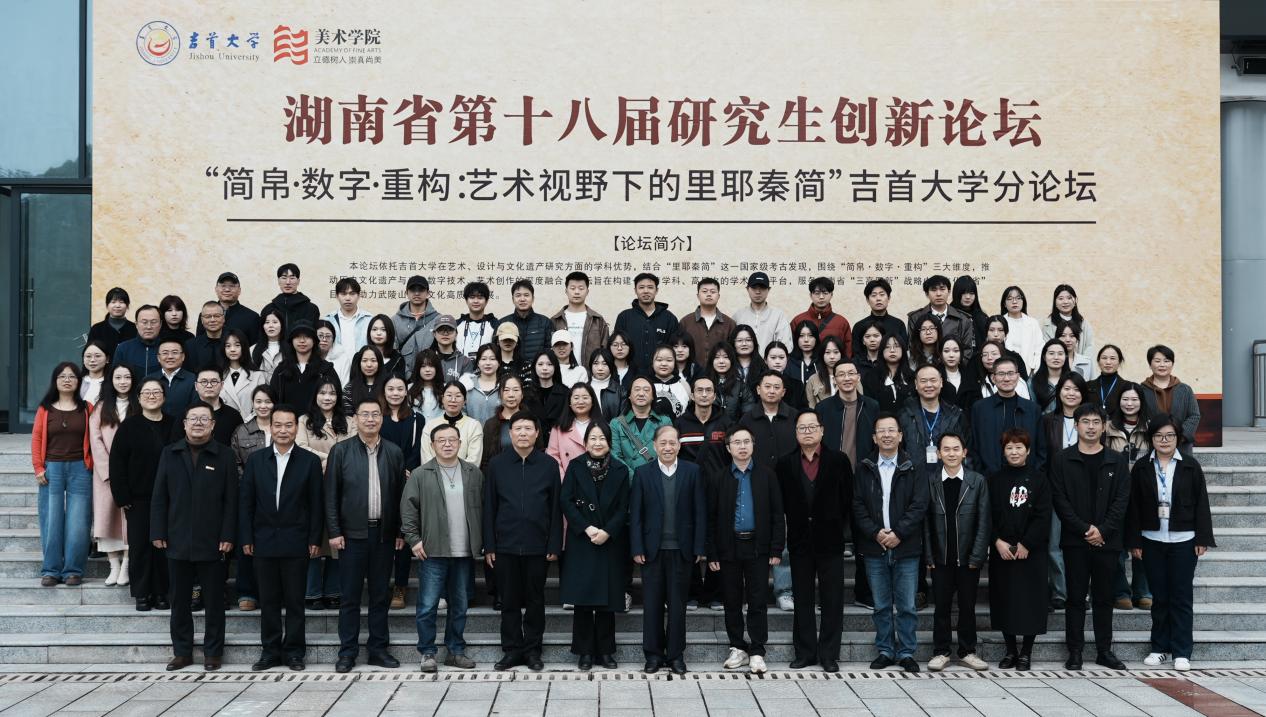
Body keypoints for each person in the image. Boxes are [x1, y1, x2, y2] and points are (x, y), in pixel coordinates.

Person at [151, 402, 238, 671]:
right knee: (179, 600)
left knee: (214, 601)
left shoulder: (224, 455)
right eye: (193, 419)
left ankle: (213, 652)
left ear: (213, 425)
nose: (198, 423)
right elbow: (159, 496)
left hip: (213, 540)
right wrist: (158, 531)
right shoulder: (170, 453)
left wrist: (228, 534)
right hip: (177, 537)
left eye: (204, 419)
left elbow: (231, 500)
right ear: (184, 424)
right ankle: (182, 652)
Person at [1127, 414, 1216, 672]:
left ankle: (1181, 651)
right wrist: (1134, 540)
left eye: (1169, 436)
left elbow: (1202, 503)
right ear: (1151, 439)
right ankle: (1159, 648)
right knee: (1160, 597)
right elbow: (1133, 506)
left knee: (1181, 597)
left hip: (1184, 540)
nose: (1164, 440)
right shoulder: (1142, 467)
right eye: (1158, 436)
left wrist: (1202, 537)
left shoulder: (1190, 465)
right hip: (1151, 539)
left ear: (1178, 438)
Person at [239, 405, 323, 671]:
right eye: (278, 425)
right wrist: (246, 536)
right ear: (270, 427)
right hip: (263, 539)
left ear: (296, 428)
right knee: (268, 601)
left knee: (296, 601)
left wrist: (314, 539)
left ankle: (295, 652)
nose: (283, 430)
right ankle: (270, 651)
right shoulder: (256, 460)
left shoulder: (309, 461)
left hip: (297, 540)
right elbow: (246, 502)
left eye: (289, 425)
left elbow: (316, 505)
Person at [326, 398, 407, 673]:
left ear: (381, 419)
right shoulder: (341, 451)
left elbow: (400, 496)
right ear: (355, 419)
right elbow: (331, 495)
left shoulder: (394, 452)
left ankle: (378, 650)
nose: (370, 419)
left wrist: (400, 531)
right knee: (350, 597)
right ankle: (347, 652)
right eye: (365, 414)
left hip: (384, 535)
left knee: (380, 595)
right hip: (351, 536)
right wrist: (334, 531)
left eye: (375, 414)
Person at [1050, 403, 1130, 670]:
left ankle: (1104, 651)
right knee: (1075, 598)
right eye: (1086, 422)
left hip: (1108, 541)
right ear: (1076, 425)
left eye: (1097, 422)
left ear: (1104, 426)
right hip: (1075, 541)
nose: (1091, 427)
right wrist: (1085, 529)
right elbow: (1060, 500)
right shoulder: (1062, 459)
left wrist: (1103, 530)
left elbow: (1122, 500)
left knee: (1104, 598)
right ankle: (1075, 651)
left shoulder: (1117, 460)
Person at [401, 422, 484, 672]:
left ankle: (455, 651)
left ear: (460, 443)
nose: (447, 444)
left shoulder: (473, 472)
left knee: (459, 605)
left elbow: (484, 507)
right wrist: (413, 539)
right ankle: (427, 652)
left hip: (463, 551)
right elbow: (408, 510)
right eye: (441, 441)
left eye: (452, 440)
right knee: (428, 605)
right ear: (433, 444)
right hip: (433, 550)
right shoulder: (421, 474)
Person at [483, 412, 562, 672]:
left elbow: (555, 507)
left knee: (536, 600)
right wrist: (489, 545)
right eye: (518, 428)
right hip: (505, 545)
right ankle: (512, 650)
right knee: (509, 601)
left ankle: (533, 650)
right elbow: (489, 506)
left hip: (538, 545)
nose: (523, 433)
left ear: (537, 433)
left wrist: (554, 544)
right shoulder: (497, 464)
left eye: (528, 428)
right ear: (510, 433)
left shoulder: (548, 465)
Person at [776, 411, 851, 672]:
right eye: (802, 428)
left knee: (833, 599)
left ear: (822, 430)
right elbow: (781, 503)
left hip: (830, 539)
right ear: (796, 432)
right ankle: (805, 652)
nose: (807, 432)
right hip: (799, 541)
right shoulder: (785, 464)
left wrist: (836, 525)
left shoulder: (839, 461)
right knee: (802, 599)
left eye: (812, 427)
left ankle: (829, 654)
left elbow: (847, 499)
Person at [853, 413, 928, 673]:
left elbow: (920, 505)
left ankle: (906, 652)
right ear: (874, 438)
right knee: (881, 605)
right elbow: (857, 505)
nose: (886, 435)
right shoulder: (864, 467)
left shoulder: (914, 466)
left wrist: (898, 533)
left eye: (891, 430)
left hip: (906, 546)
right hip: (875, 546)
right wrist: (876, 533)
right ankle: (885, 650)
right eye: (881, 431)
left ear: (900, 435)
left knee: (907, 605)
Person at [707, 425, 784, 675]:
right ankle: (737, 647)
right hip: (729, 546)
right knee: (731, 599)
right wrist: (712, 552)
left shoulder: (766, 475)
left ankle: (758, 650)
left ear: (753, 445)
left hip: (758, 547)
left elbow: (777, 514)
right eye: (737, 442)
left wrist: (776, 548)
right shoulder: (719, 478)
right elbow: (711, 518)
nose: (742, 446)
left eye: (746, 442)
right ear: (728, 448)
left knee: (757, 599)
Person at [631, 425, 706, 675]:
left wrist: (699, 546)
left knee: (677, 606)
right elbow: (636, 514)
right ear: (654, 446)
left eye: (672, 442)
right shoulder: (643, 473)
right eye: (663, 443)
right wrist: (637, 547)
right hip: (652, 551)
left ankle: (675, 655)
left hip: (682, 550)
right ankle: (653, 655)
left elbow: (700, 511)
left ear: (679, 445)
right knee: (652, 605)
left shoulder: (692, 471)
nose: (667, 447)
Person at [560, 423, 630, 670]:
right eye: (593, 438)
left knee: (607, 602)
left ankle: (606, 651)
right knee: (583, 600)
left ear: (609, 442)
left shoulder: (620, 469)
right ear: (585, 442)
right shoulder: (575, 466)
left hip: (610, 540)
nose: (597, 443)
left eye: (602, 438)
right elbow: (566, 501)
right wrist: (587, 528)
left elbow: (624, 506)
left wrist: (608, 531)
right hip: (583, 539)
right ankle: (585, 652)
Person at [923, 432, 990, 672]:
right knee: (941, 607)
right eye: (946, 449)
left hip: (968, 558)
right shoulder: (930, 482)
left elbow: (984, 522)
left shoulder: (977, 481)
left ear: (964, 452)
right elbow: (925, 523)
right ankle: (941, 652)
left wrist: (977, 556)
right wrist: (928, 555)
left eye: (956, 449)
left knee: (967, 606)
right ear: (939, 453)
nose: (951, 453)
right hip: (941, 557)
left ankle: (967, 651)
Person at [109, 378, 175, 610]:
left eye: (156, 392)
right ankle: (142, 593)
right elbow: (117, 462)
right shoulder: (129, 426)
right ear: (138, 398)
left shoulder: (174, 424)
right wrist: (122, 496)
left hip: (169, 497)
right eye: (146, 392)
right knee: (140, 546)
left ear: (164, 397)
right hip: (138, 498)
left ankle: (162, 592)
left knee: (164, 545)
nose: (152, 396)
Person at [988, 428, 1051, 671]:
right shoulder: (993, 479)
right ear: (1003, 451)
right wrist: (997, 541)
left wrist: (1027, 543)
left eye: (1019, 447)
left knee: (1030, 601)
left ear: (1028, 450)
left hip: (1032, 552)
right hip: (1002, 550)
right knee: (1005, 599)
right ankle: (1010, 650)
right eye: (1009, 447)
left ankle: (1026, 652)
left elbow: (1043, 515)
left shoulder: (1040, 479)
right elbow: (986, 514)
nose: (1014, 452)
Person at [818, 359, 878, 607]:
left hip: (863, 479)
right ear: (834, 380)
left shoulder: (871, 406)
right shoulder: (824, 408)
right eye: (841, 374)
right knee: (829, 542)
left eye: (851, 373)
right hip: (832, 481)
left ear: (858, 377)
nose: (846, 378)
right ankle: (829, 597)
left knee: (864, 539)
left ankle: (864, 593)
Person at [31, 363, 94, 588]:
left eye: (72, 376)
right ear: (55, 381)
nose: (67, 380)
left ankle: (73, 571)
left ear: (78, 381)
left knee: (79, 521)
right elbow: (37, 438)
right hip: (52, 468)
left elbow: (95, 439)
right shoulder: (45, 409)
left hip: (80, 469)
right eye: (62, 376)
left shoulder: (87, 408)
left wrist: (92, 465)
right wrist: (38, 467)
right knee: (51, 519)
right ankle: (51, 570)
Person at [296, 378, 353, 611]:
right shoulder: (304, 421)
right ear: (315, 396)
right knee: (315, 536)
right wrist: (331, 459)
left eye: (332, 393)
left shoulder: (349, 421)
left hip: (342, 486)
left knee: (336, 537)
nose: (327, 397)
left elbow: (353, 448)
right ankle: (311, 591)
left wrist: (335, 461)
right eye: (322, 393)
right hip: (313, 484)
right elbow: (301, 447)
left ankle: (332, 590)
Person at [675, 374, 730, 609]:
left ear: (715, 395)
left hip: (719, 490)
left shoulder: (726, 422)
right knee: (689, 539)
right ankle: (692, 593)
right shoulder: (680, 423)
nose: (704, 394)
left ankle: (716, 594)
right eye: (700, 390)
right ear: (692, 394)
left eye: (709, 390)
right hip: (688, 490)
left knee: (719, 538)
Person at [1106, 382, 1154, 610]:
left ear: (1141, 402)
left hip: (1143, 495)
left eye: (1134, 399)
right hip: (1113, 494)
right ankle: (1120, 592)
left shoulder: (1151, 427)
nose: (1129, 403)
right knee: (1116, 545)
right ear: (1119, 401)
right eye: (1125, 399)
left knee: (1142, 544)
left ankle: (1143, 591)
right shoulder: (1107, 427)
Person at [89, 363, 138, 586]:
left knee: (129, 520)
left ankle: (126, 565)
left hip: (133, 472)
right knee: (106, 518)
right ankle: (113, 565)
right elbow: (95, 439)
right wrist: (109, 470)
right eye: (118, 377)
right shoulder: (101, 407)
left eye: (127, 377)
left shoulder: (139, 405)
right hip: (105, 474)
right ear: (111, 381)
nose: (123, 382)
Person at [231, 385, 276, 611]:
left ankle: (274, 592)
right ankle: (247, 592)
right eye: (259, 401)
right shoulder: (242, 431)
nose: (263, 406)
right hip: (250, 496)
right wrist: (251, 486)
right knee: (247, 543)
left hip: (280, 496)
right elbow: (236, 464)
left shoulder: (283, 427)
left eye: (268, 401)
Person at [971, 356, 1045, 476]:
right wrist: (981, 475)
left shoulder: (1032, 409)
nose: (1006, 378)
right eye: (1001, 374)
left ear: (1018, 376)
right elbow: (974, 447)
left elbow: (1041, 448)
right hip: (990, 478)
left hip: (1026, 478)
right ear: (993, 378)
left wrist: (1033, 475)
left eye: (1011, 373)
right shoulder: (980, 408)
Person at [898, 364, 970, 478]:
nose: (929, 385)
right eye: (923, 381)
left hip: (949, 479)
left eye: (933, 380)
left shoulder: (956, 415)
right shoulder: (904, 416)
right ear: (916, 384)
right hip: (913, 480)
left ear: (941, 382)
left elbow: (967, 453)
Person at [269, 322, 336, 424]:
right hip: (287, 425)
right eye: (297, 337)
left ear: (314, 341)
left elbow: (335, 398)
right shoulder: (281, 370)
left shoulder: (326, 369)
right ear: (291, 341)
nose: (302, 341)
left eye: (307, 337)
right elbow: (273, 399)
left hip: (319, 425)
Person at [614, 272, 679, 373]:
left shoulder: (669, 318)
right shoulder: (624, 317)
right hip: (630, 374)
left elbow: (675, 348)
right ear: (635, 290)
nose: (646, 291)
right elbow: (616, 347)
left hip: (661, 375)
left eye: (650, 287)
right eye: (641, 287)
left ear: (656, 290)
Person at [1139, 345, 1201, 443]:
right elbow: (1139, 417)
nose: (1162, 365)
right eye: (1157, 361)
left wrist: (1179, 437)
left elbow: (1194, 416)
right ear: (1150, 364)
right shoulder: (1141, 390)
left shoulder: (1185, 390)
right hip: (1151, 443)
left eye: (1166, 361)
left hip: (1181, 444)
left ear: (1172, 364)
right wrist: (1153, 436)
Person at [906, 275, 976, 362]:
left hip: (953, 368)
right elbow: (913, 347)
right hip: (924, 367)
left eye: (942, 289)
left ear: (949, 292)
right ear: (927, 294)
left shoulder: (963, 319)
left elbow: (967, 351)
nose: (938, 294)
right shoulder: (916, 318)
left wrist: (952, 367)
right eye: (934, 290)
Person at [611, 376, 673, 472]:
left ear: (653, 396)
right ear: (629, 395)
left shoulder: (664, 422)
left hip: (656, 476)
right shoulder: (617, 424)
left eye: (646, 390)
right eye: (637, 389)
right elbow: (615, 456)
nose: (641, 393)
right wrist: (633, 477)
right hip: (627, 477)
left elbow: (669, 453)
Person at [550, 270, 611, 363]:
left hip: (590, 371)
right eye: (572, 288)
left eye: (581, 288)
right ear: (566, 291)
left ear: (587, 291)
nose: (577, 292)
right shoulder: (556, 320)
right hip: (561, 371)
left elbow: (605, 350)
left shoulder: (598, 320)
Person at [420, 381, 485, 466]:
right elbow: (426, 459)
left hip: (465, 474)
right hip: (434, 474)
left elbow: (474, 460)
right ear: (442, 398)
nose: (453, 400)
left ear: (465, 401)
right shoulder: (430, 426)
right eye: (449, 395)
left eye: (458, 396)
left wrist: (456, 472)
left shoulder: (474, 426)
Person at [498, 280, 554, 376]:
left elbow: (550, 352)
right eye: (518, 295)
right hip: (509, 376)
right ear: (513, 299)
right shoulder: (503, 323)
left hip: (538, 376)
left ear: (533, 298)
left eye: (526, 295)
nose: (522, 299)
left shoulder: (545, 322)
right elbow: (496, 352)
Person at [323, 277, 373, 384]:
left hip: (363, 372)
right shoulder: (328, 320)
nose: (348, 298)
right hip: (335, 372)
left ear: (359, 296)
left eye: (352, 294)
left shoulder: (369, 320)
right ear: (337, 296)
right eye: (343, 294)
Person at [678, 277, 734, 366]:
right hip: (692, 372)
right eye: (704, 291)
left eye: (713, 292)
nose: (709, 294)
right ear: (698, 296)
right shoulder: (686, 322)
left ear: (718, 296)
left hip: (720, 372)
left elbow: (733, 352)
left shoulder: (729, 323)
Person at [547, 383, 600, 478]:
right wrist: (565, 479)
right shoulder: (558, 428)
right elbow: (553, 456)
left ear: (592, 401)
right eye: (576, 398)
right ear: (569, 402)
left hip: (597, 479)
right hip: (568, 480)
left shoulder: (602, 426)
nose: (580, 402)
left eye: (585, 397)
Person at [732, 271, 793, 350]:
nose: (758, 292)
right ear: (747, 289)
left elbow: (785, 346)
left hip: (770, 358)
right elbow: (731, 345)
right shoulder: (738, 315)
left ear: (768, 290)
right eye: (754, 288)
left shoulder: (778, 316)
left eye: (762, 288)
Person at [200, 272, 261, 347]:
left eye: (232, 286)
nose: (227, 289)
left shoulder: (252, 317)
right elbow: (199, 343)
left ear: (239, 290)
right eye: (223, 286)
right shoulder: (206, 315)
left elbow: (254, 348)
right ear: (216, 289)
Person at [851, 278, 907, 359]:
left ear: (889, 298)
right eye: (874, 295)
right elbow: (856, 353)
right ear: (867, 300)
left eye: (882, 294)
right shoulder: (859, 326)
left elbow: (904, 351)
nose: (878, 299)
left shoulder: (898, 324)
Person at [792, 276, 853, 350]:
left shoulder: (841, 322)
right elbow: (791, 347)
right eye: (817, 293)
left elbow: (848, 349)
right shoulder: (797, 320)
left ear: (831, 295)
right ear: (811, 295)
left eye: (825, 293)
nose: (821, 297)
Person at [861, 334, 914, 414]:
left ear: (903, 349)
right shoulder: (871, 377)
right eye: (887, 347)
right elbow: (869, 407)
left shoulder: (912, 376)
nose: (892, 350)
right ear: (881, 350)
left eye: (896, 346)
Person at [1041, 284, 1096, 359]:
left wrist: (1081, 362)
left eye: (1069, 298)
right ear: (1055, 303)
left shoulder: (1083, 324)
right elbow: (1046, 349)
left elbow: (1090, 347)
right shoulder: (1048, 325)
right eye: (1061, 298)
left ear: (1075, 301)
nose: (1065, 302)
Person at [261, 263, 320, 332]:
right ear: (278, 281)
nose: (288, 282)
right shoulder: (268, 309)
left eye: (292, 278)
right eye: (284, 278)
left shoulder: (311, 309)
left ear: (298, 281)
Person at [707, 343, 757, 422]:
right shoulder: (704, 383)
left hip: (735, 428)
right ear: (711, 361)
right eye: (717, 357)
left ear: (732, 361)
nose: (721, 361)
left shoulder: (740, 385)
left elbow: (748, 410)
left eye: (726, 357)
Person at [149, 338, 198, 419]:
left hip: (183, 425)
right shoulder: (149, 380)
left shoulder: (194, 379)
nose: (170, 357)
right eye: (165, 353)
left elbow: (196, 408)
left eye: (175, 352)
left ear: (183, 357)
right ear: (158, 358)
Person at [1000, 286, 1045, 374]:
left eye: (1018, 298)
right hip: (1005, 372)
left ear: (1023, 301)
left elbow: (1039, 348)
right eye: (1010, 299)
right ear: (1004, 304)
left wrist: (1035, 368)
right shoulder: (1000, 322)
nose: (1014, 301)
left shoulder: (1032, 323)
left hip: (1030, 372)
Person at [526, 350, 570, 430]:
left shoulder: (565, 393)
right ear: (534, 367)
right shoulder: (526, 393)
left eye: (549, 364)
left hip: (558, 435)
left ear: (555, 367)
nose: (545, 368)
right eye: (540, 364)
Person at [88, 287, 138, 358]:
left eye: (121, 302)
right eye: (113, 302)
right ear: (107, 305)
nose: (117, 306)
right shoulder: (96, 329)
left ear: (127, 305)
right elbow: (89, 354)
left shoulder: (135, 328)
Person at [460, 345, 503, 423]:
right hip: (472, 430)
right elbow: (461, 412)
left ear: (499, 362)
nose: (488, 363)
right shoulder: (467, 384)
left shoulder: (504, 385)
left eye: (492, 359)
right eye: (483, 359)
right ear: (478, 363)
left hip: (498, 430)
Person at [456, 281, 497, 360]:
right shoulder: (457, 324)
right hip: (460, 367)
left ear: (486, 301)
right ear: (466, 300)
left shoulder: (494, 324)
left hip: (486, 366)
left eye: (480, 297)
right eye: (472, 297)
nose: (476, 301)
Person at [762, 340, 808, 410]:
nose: (777, 362)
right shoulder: (758, 383)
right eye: (773, 357)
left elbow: (803, 411)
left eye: (781, 357)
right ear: (765, 360)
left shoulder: (797, 385)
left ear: (787, 359)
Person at [1029, 338, 1070, 414]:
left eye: (1060, 354)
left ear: (1066, 356)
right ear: (1044, 357)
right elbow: (1031, 408)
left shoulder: (1072, 380)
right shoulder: (1033, 381)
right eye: (1051, 353)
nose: (1056, 357)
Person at [184, 302, 227, 375]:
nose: (212, 320)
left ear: (223, 318)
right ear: (202, 320)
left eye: (217, 316)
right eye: (208, 317)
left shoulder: (233, 343)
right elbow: (187, 373)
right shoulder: (190, 345)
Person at [805, 336, 846, 408]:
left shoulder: (851, 377)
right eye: (827, 352)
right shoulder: (813, 379)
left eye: (836, 352)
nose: (832, 357)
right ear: (822, 355)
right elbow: (811, 407)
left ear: (841, 354)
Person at [649, 344, 690, 418]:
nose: (664, 364)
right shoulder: (646, 383)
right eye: (659, 360)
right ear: (652, 362)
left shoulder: (684, 385)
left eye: (669, 360)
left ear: (675, 363)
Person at [432, 315, 474, 382]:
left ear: (456, 334)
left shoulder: (465, 362)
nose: (445, 333)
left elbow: (467, 386)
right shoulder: (427, 359)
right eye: (441, 330)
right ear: (434, 334)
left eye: (450, 330)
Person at [1088, 344, 1127, 415]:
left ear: (1119, 362)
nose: (1108, 362)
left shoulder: (1127, 387)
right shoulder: (1088, 386)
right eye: (1104, 358)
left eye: (1112, 358)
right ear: (1098, 361)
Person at [952, 275, 990, 348]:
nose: (968, 297)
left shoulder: (982, 316)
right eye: (964, 293)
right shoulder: (949, 315)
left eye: (971, 293)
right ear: (957, 293)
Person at [587, 347, 624, 420]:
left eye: (605, 364)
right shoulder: (584, 389)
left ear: (611, 366)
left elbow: (622, 418)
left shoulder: (621, 391)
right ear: (591, 366)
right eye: (596, 363)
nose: (600, 368)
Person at [408, 350, 445, 421]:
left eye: (431, 366)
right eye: (423, 366)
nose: (427, 370)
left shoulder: (446, 389)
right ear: (418, 369)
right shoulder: (409, 389)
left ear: (437, 368)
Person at [251, 307, 286, 380]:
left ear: (282, 325)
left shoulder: (291, 348)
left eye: (275, 322)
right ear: (262, 326)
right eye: (267, 322)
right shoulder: (252, 349)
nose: (271, 325)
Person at [368, 314, 407, 379]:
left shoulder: (398, 359)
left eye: (383, 330)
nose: (378, 333)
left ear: (390, 332)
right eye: (374, 329)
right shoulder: (361, 356)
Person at [787, 321, 824, 387]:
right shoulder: (788, 361)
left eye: (810, 335)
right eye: (801, 336)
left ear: (816, 338)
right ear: (796, 339)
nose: (806, 340)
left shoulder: (823, 360)